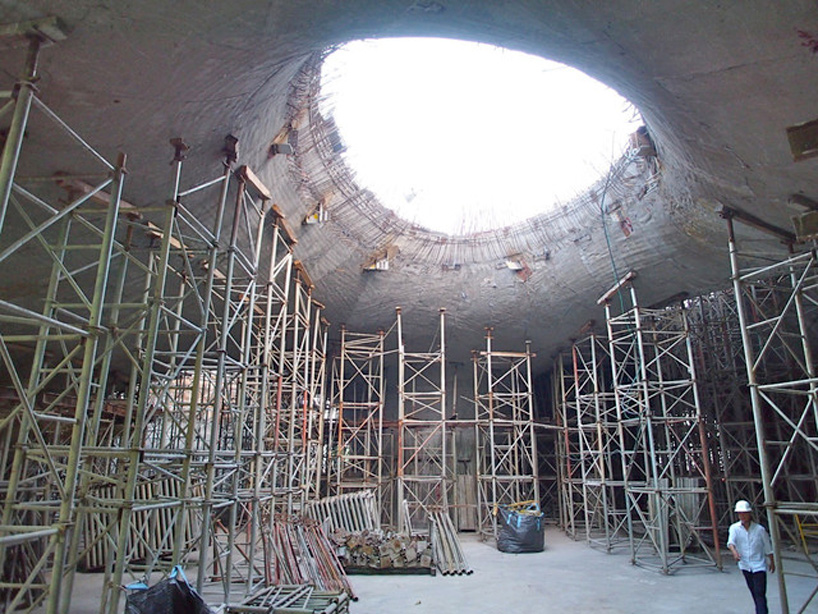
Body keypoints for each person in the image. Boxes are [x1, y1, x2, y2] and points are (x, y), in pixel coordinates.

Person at [727, 500, 775, 614]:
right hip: (745, 565)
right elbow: (731, 543)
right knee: (754, 592)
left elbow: (767, 547)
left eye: (744, 513)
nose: (742, 516)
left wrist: (771, 561)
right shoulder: (734, 528)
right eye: (740, 513)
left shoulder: (760, 530)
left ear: (749, 513)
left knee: (760, 593)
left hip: (758, 565)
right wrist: (734, 553)